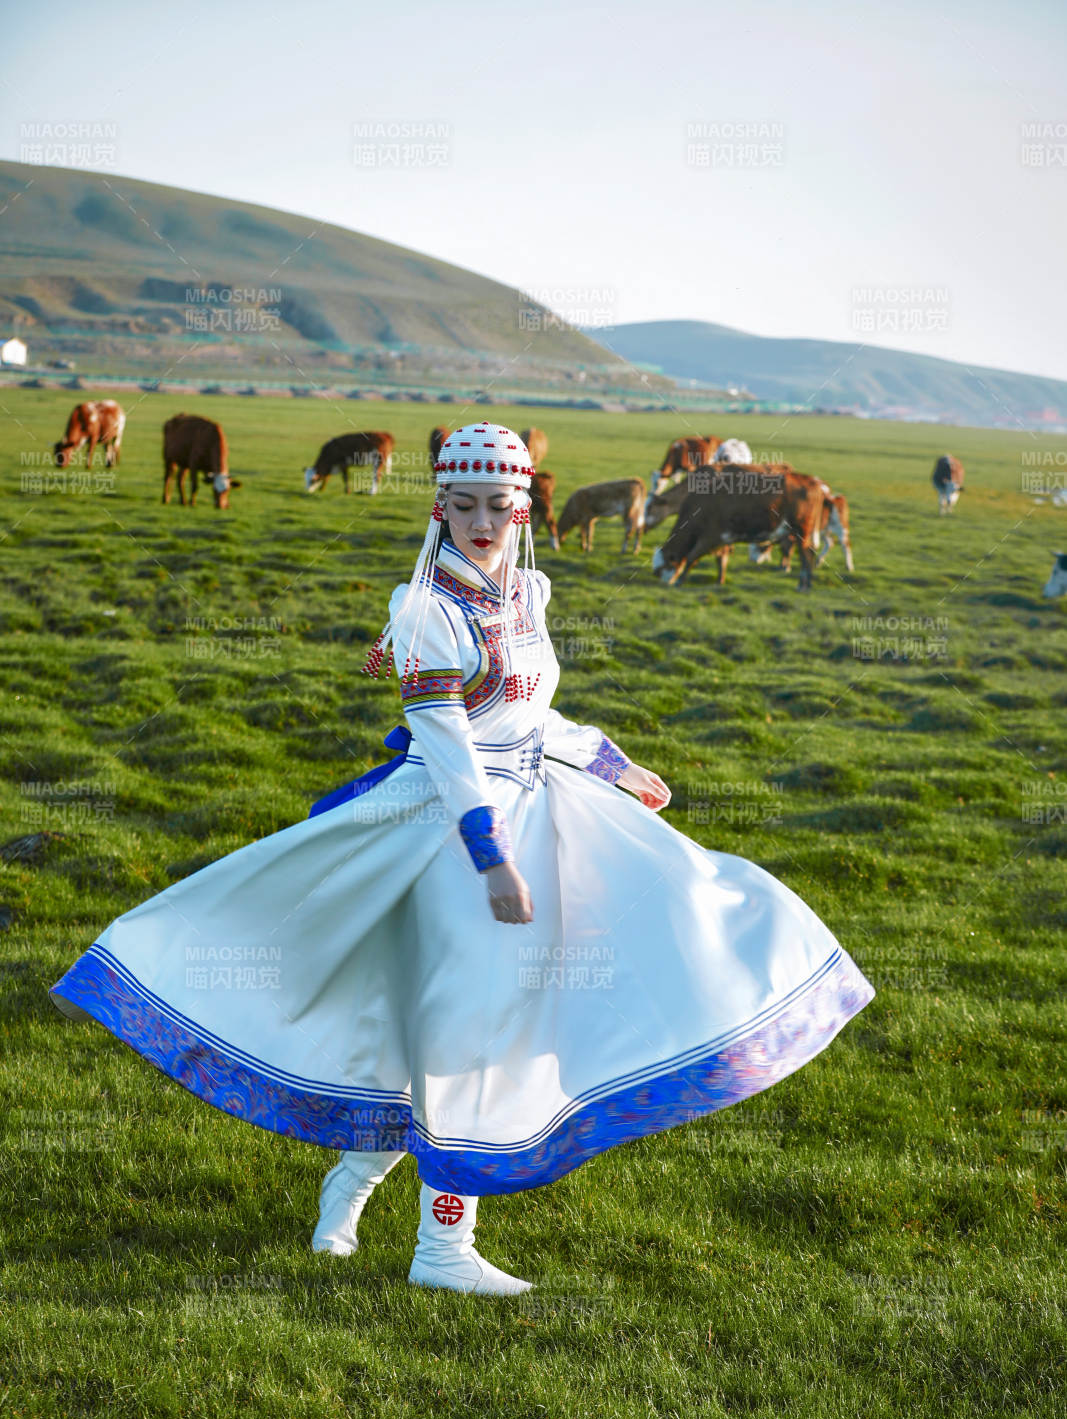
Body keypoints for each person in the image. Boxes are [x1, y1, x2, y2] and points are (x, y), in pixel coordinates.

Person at [49, 421, 875, 1297]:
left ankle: (352, 1185)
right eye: (467, 504)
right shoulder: (426, 613)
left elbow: (531, 716)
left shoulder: (528, 593)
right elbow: (444, 745)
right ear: (441, 507)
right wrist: (492, 861)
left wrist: (609, 760)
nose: (485, 521)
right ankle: (442, 1251)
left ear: (522, 508)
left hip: (542, 812)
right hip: (444, 832)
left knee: (457, 1017)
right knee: (471, 1025)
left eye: (501, 505)